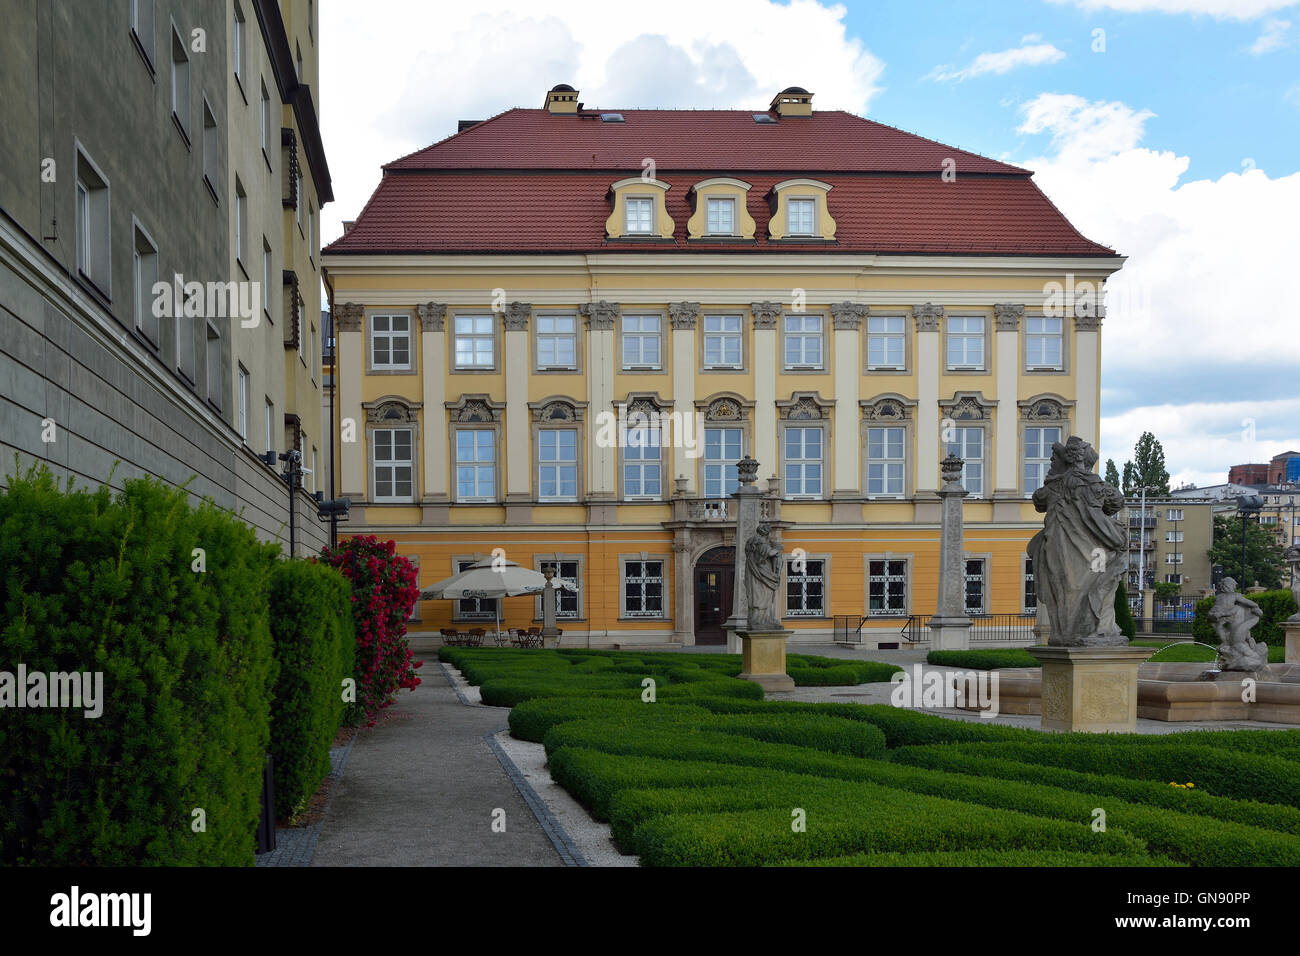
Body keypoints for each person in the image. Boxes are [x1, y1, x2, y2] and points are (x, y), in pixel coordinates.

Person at [744, 522, 782, 630]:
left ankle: (760, 620)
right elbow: (769, 553)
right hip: (763, 573)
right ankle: (762, 621)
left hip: (754, 573)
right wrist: (777, 550)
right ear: (767, 533)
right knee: (764, 596)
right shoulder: (761, 543)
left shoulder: (751, 542)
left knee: (757, 595)